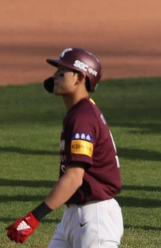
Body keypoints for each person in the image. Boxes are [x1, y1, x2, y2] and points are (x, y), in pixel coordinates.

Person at [6, 48, 123, 247]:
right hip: (73, 215)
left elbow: (74, 177)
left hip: (95, 218)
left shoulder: (83, 117)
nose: (54, 76)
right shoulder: (79, 113)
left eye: (61, 72)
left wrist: (33, 218)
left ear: (79, 78)